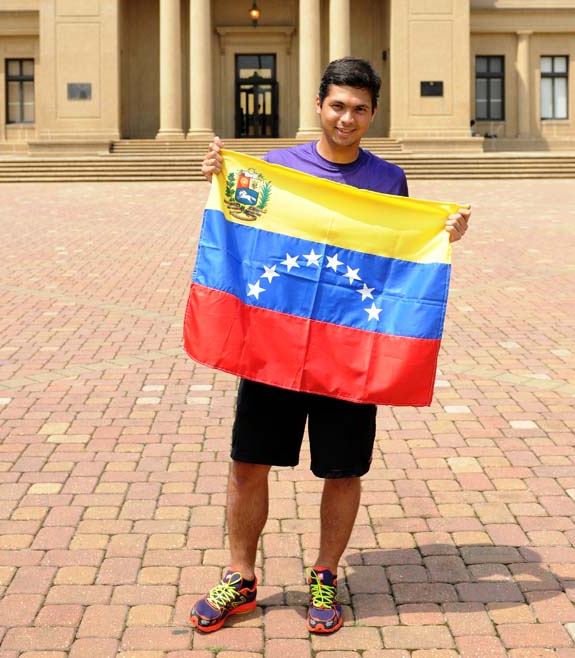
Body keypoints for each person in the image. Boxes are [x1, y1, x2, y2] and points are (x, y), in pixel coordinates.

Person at [190, 57, 470, 635]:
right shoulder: (276, 166)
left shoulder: (388, 181)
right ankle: (240, 576)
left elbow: (398, 254)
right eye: (338, 105)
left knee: (342, 471)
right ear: (319, 106)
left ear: (372, 114)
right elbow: (243, 219)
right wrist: (219, 175)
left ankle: (325, 573)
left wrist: (442, 234)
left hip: (349, 346)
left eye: (360, 109)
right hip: (275, 342)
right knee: (248, 464)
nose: (347, 118)